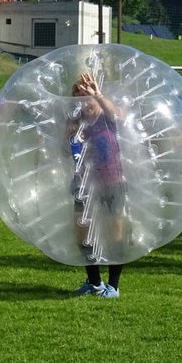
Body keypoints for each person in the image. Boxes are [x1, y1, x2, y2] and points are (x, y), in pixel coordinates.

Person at [66, 72, 126, 298]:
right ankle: (94, 282)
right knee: (82, 234)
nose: (84, 102)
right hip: (83, 183)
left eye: (86, 97)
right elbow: (64, 150)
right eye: (78, 99)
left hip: (111, 181)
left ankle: (114, 286)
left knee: (114, 234)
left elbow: (120, 115)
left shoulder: (107, 117)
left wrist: (98, 95)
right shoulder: (76, 122)